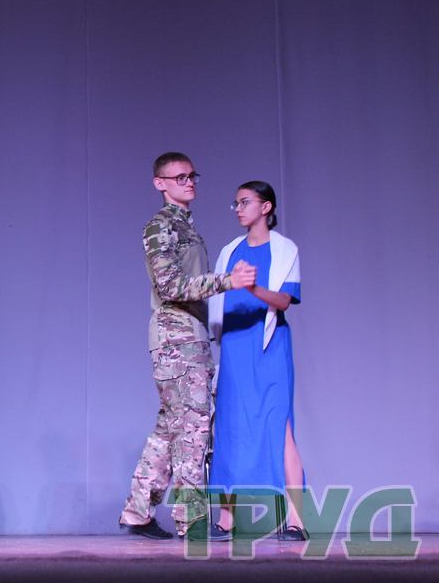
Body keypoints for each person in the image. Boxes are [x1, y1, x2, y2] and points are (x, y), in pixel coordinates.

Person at [119, 153, 256, 542]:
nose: (189, 182)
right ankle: (191, 522)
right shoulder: (160, 227)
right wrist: (226, 281)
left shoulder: (186, 227)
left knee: (169, 430)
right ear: (160, 183)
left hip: (189, 338)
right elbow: (170, 286)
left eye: (192, 175)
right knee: (192, 432)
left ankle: (137, 512)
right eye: (179, 177)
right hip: (176, 340)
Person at [208, 181, 308, 541]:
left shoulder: (284, 249)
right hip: (235, 347)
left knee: (280, 428)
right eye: (235, 203)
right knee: (230, 428)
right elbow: (216, 297)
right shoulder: (229, 251)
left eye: (245, 202)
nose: (238, 209)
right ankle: (226, 520)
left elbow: (284, 301)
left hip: (269, 348)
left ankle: (296, 519)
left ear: (266, 207)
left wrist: (252, 289)